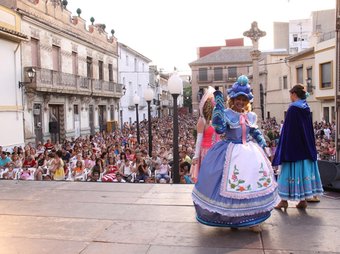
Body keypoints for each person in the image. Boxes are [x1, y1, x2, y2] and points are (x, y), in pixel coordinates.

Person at [192, 75, 278, 232]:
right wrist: (218, 104)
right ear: (232, 99)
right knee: (231, 188)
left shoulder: (251, 116)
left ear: (248, 101)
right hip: (231, 153)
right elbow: (220, 129)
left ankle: (253, 221)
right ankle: (233, 219)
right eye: (238, 99)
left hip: (250, 153)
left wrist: (264, 145)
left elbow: (255, 132)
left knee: (250, 187)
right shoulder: (226, 113)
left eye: (244, 100)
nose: (241, 102)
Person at [273, 84, 323, 210]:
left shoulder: (293, 109)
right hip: (305, 146)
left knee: (287, 172)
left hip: (293, 148)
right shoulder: (306, 107)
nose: (290, 97)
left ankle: (283, 201)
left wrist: (283, 147)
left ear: (294, 94)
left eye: (290, 94)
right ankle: (303, 201)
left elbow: (288, 130)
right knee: (304, 172)